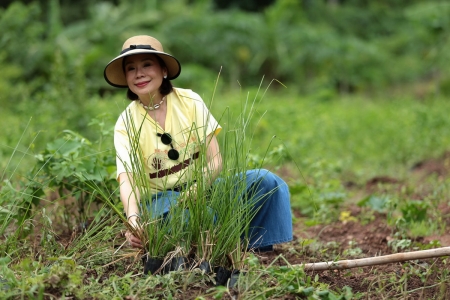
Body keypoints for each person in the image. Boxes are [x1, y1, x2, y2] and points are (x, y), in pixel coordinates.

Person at [104, 35, 292, 252]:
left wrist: (194, 192)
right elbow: (128, 182)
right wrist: (134, 222)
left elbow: (215, 161)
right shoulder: (126, 123)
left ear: (164, 70)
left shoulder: (189, 101)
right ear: (126, 78)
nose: (139, 74)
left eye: (147, 64)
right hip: (161, 202)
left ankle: (253, 248)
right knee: (189, 217)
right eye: (131, 68)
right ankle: (210, 246)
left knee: (265, 181)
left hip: (202, 187)